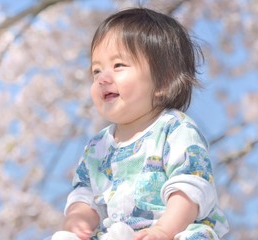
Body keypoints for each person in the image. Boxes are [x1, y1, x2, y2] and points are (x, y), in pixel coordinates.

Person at [51, 7, 229, 240]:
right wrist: (77, 221)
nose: (103, 78)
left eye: (118, 66)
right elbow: (85, 195)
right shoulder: (98, 146)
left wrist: (163, 230)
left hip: (174, 228)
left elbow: (190, 188)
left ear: (163, 81)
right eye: (96, 70)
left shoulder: (174, 128)